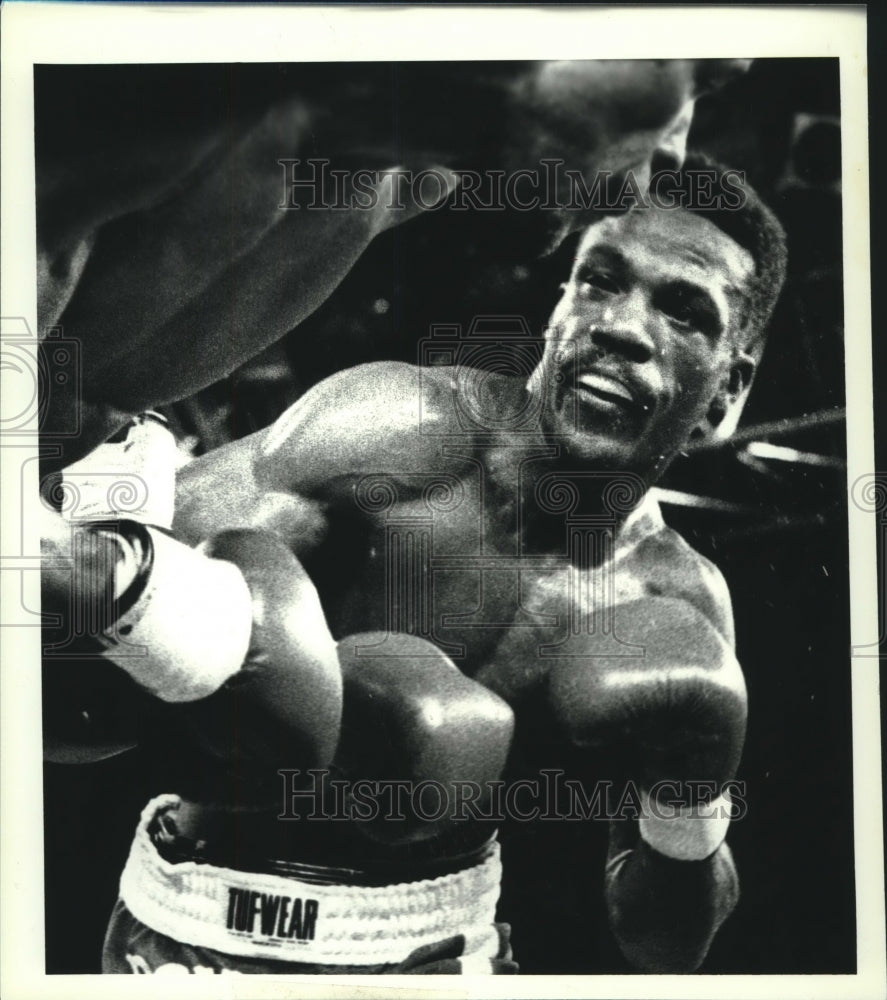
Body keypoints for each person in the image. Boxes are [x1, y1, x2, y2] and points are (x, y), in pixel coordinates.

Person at [88, 155, 787, 974]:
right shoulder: (400, 432)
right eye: (597, 280)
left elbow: (662, 944)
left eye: (681, 310)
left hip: (445, 953)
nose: (621, 327)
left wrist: (691, 807)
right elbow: (67, 650)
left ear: (727, 388)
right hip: (197, 929)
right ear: (558, 304)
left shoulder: (681, 601)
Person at [36, 59, 752, 470]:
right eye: (696, 79)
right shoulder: (169, 85)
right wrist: (124, 591)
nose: (673, 153)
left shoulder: (396, 185)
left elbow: (67, 421)